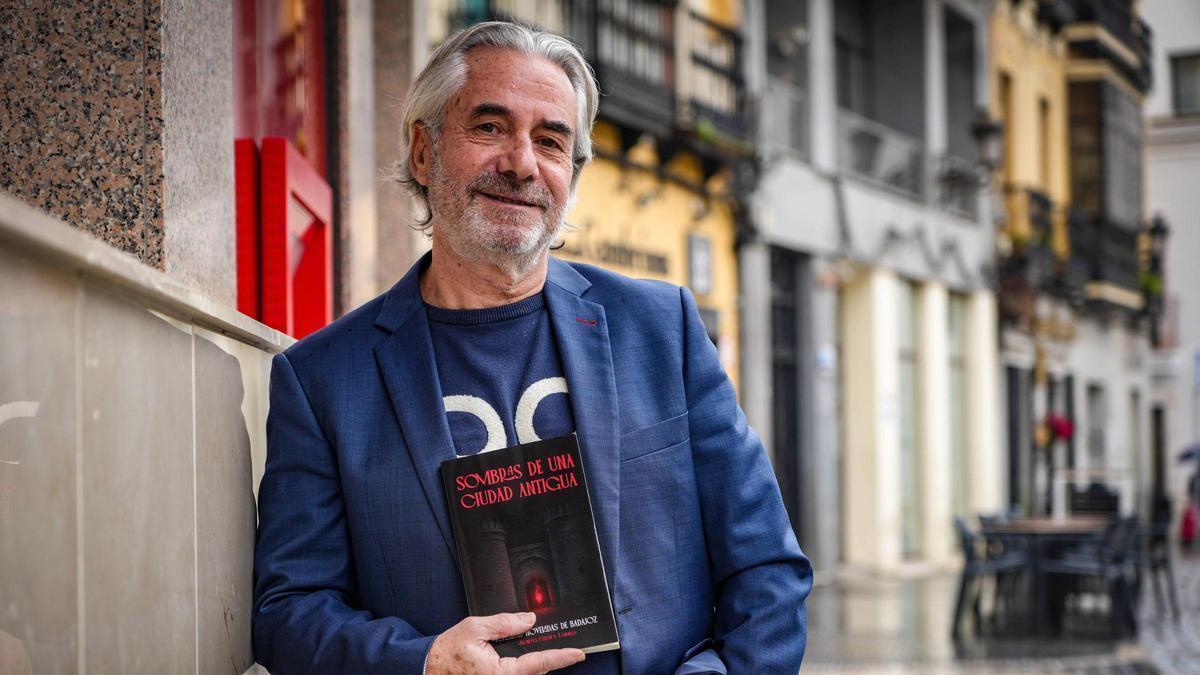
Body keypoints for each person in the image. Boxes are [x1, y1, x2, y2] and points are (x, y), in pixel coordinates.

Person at [252, 21, 812, 675]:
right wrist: (422, 660)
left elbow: (768, 573)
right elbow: (287, 612)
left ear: (571, 174)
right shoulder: (322, 380)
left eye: (550, 140)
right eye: (490, 127)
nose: (521, 163)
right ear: (424, 152)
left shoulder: (663, 330)